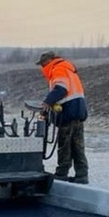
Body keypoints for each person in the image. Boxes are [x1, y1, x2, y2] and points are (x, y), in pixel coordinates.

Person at [37, 51, 88, 184]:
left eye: (43, 65)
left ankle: (62, 173)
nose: (42, 68)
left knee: (65, 144)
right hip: (79, 110)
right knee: (77, 144)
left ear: (48, 62)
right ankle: (82, 175)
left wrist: (47, 102)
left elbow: (61, 89)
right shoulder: (68, 69)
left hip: (68, 111)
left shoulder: (58, 69)